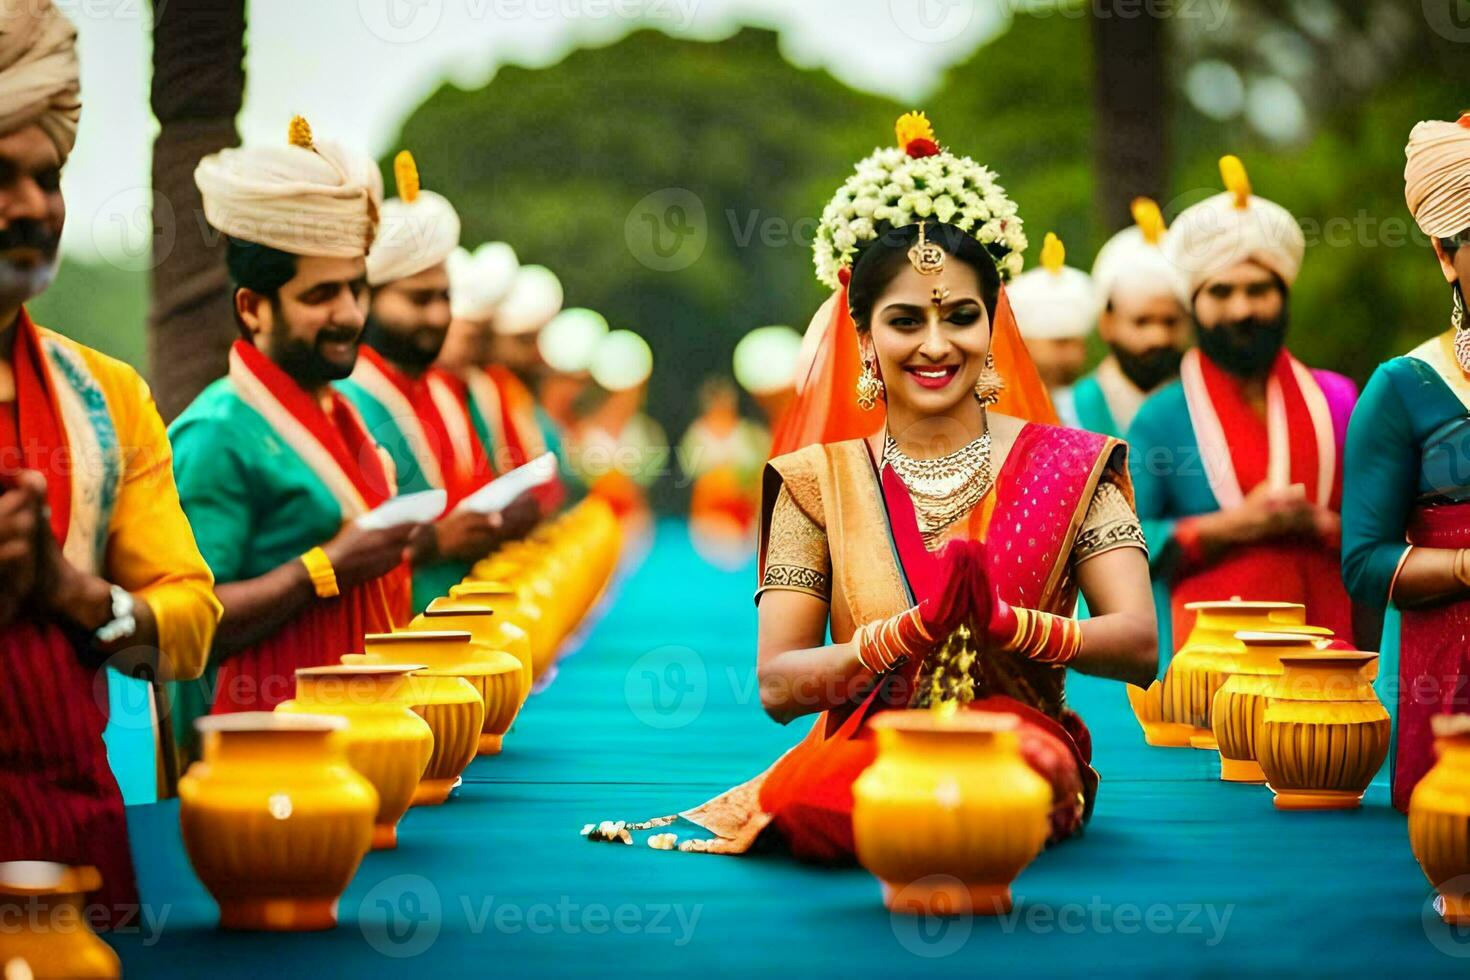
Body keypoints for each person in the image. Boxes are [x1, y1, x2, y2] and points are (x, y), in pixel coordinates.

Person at [584, 112, 1156, 862]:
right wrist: (904, 636)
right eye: (904, 320)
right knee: (804, 796)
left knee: (1026, 767)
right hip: (870, 747)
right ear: (862, 337)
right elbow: (780, 686)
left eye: (960, 316)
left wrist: (1010, 625)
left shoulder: (1073, 465)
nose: (935, 344)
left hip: (1017, 736)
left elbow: (1141, 645)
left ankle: (959, 815)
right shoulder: (815, 483)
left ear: (993, 324)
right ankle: (950, 822)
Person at [0, 0, 220, 923]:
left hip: (79, 865)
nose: (31, 207)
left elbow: (192, 619)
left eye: (47, 178)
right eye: (0, 178)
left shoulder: (106, 399)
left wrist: (71, 592)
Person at [170, 116, 417, 724]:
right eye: (320, 295)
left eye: (355, 289)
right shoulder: (218, 432)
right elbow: (194, 622)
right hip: (266, 750)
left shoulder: (341, 410)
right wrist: (326, 569)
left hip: (364, 730)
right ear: (252, 309)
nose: (350, 314)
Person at [1128, 155, 1359, 654]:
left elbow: (1384, 534)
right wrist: (1231, 527)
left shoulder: (1339, 398)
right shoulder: (1160, 416)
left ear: (1284, 295)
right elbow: (1126, 546)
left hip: (1333, 655)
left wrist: (1320, 525)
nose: (1242, 309)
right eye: (1222, 292)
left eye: (1259, 290)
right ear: (1194, 303)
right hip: (1208, 669)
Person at [1341, 112, 1470, 811]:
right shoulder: (1405, 387)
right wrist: (1463, 566)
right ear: (1446, 255)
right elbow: (1364, 561)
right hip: (1452, 681)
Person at [338, 151, 515, 612]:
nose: (437, 315)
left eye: (444, 297)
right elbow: (335, 556)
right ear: (368, 300)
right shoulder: (349, 396)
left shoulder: (437, 390)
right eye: (418, 299)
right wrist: (433, 542)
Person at [1074, 198, 1191, 438]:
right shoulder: (1069, 411)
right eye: (1142, 321)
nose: (1158, 337)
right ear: (1106, 323)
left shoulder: (1205, 410)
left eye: (1171, 321)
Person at [1005, 232, 1094, 426]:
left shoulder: (1094, 405)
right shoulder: (1001, 407)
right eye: (1060, 343)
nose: (1072, 355)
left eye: (1078, 343)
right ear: (1023, 342)